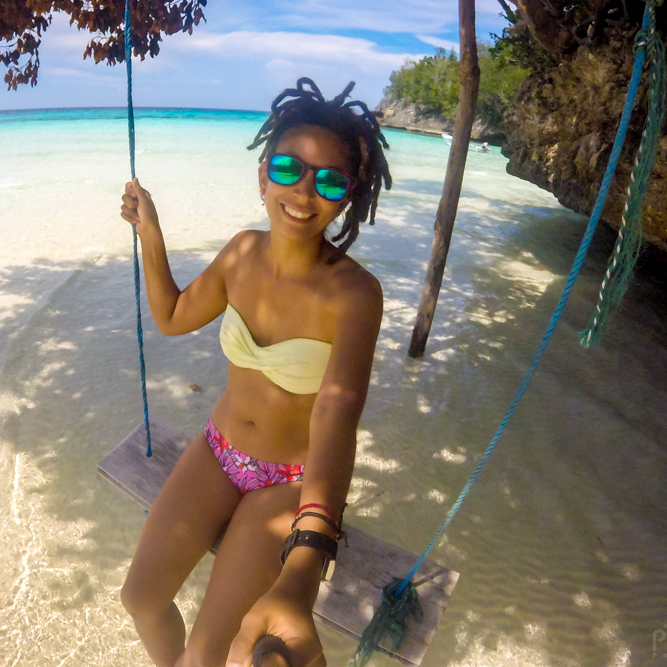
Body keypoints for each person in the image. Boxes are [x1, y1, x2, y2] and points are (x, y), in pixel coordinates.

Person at [119, 78, 392, 667]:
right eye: (290, 168)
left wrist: (308, 556)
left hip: (289, 482)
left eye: (330, 179)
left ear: (349, 196)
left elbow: (336, 414)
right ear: (264, 173)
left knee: (207, 656)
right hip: (218, 451)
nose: (304, 190)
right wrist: (151, 235)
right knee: (139, 599)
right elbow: (169, 317)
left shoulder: (355, 295)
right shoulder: (241, 252)